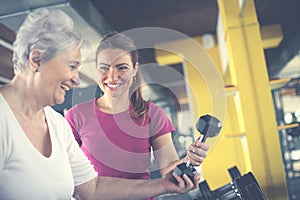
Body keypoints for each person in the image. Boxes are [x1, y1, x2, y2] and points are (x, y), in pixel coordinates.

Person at [0, 8, 202, 200]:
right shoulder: (7, 118)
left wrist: (164, 184)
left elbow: (91, 187)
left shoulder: (56, 124)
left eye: (122, 67)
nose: (76, 79)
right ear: (36, 60)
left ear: (135, 70)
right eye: (72, 66)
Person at [65, 31, 209, 198]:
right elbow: (70, 174)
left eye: (122, 67)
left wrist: (188, 161)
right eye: (104, 68)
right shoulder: (76, 116)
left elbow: (169, 167)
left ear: (135, 69)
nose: (112, 76)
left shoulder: (152, 114)